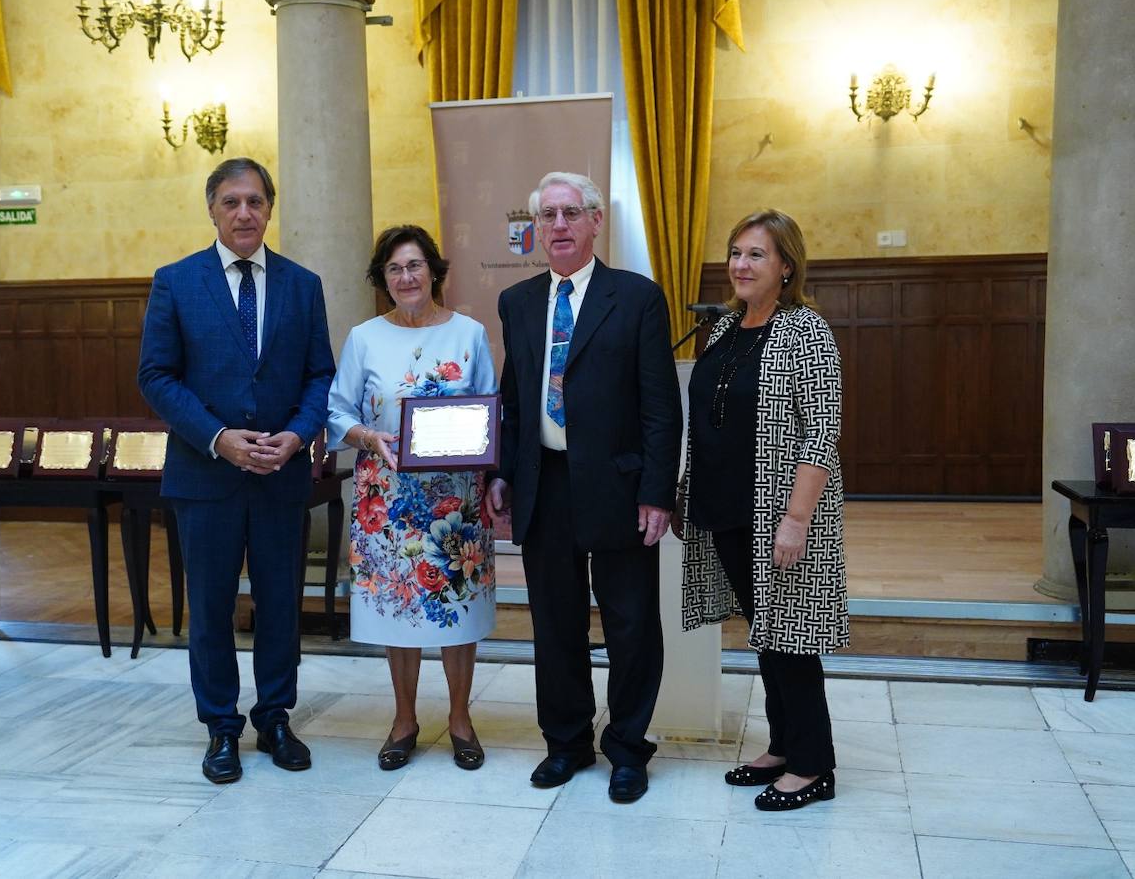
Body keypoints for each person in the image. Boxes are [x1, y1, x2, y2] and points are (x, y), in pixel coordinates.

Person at [484, 171, 682, 803]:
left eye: (572, 213)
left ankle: (627, 748)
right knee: (556, 625)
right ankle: (566, 742)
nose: (560, 226)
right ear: (536, 228)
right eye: (549, 216)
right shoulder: (517, 302)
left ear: (597, 221)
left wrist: (657, 491)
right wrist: (502, 475)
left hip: (620, 489)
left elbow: (659, 407)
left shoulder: (638, 297)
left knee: (630, 626)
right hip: (545, 484)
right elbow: (515, 401)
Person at [138, 157, 336, 784]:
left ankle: (275, 717)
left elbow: (319, 375)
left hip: (281, 476)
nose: (244, 213)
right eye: (231, 202)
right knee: (213, 605)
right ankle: (221, 726)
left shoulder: (303, 285)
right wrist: (217, 438)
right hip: (205, 476)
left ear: (270, 208)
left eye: (255, 201)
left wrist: (299, 436)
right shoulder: (176, 282)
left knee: (281, 604)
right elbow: (156, 376)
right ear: (213, 210)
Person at [674, 208, 848, 812]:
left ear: (786, 265)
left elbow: (821, 434)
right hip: (724, 508)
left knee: (793, 639)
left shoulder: (808, 331)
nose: (740, 265)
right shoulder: (724, 328)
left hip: (779, 513)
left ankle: (813, 764)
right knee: (766, 633)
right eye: (736, 252)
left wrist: (796, 519)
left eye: (756, 255)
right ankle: (782, 744)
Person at [327, 225, 497, 772]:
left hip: (455, 500)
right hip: (387, 498)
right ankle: (403, 720)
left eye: (415, 266)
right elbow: (336, 411)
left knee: (457, 610)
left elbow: (491, 411)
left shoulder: (468, 334)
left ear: (434, 271)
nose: (406, 277)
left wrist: (493, 474)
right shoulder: (364, 337)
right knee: (397, 610)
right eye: (395, 269)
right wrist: (367, 437)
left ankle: (460, 720)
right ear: (384, 278)